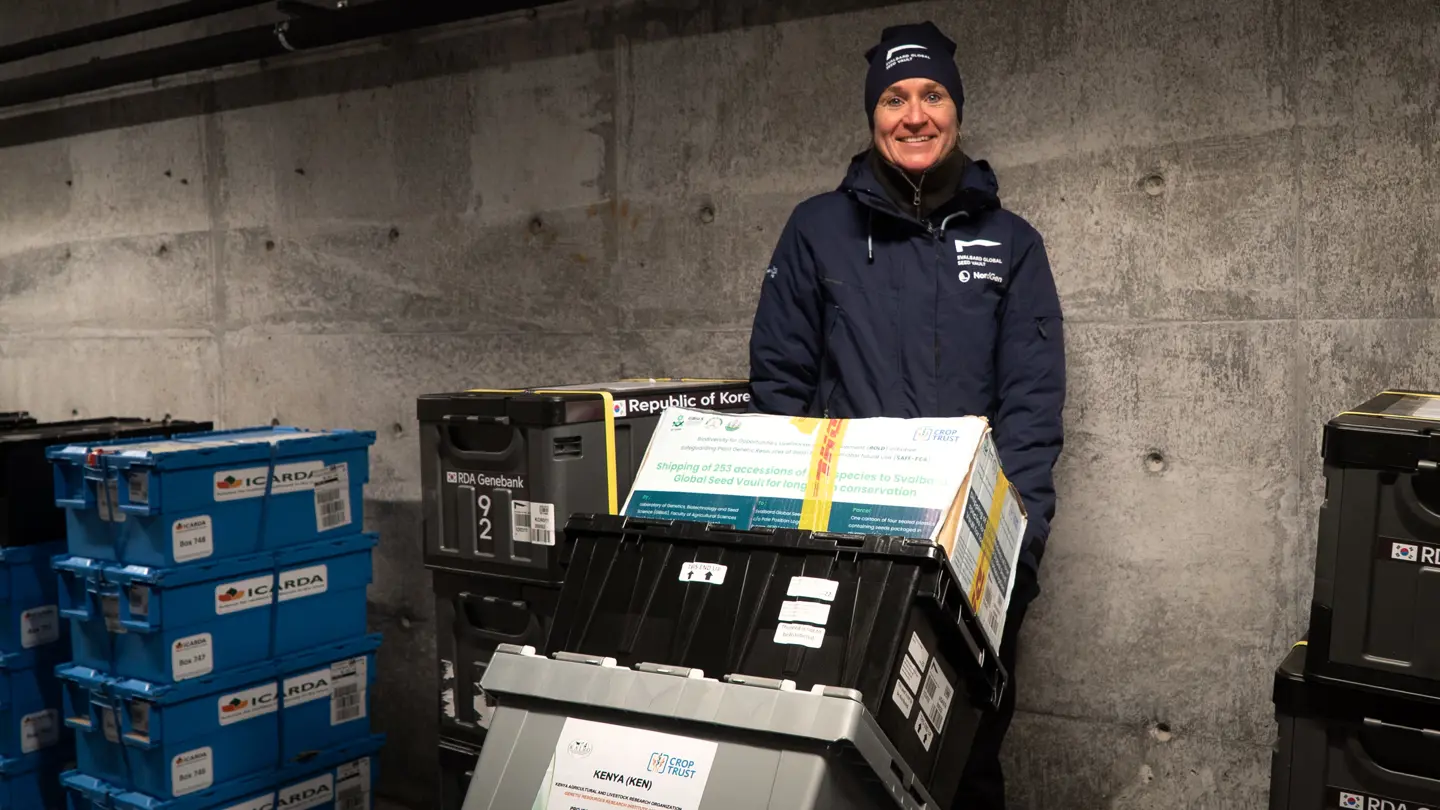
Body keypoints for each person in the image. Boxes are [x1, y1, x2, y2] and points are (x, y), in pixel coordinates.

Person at [746, 19, 1066, 810]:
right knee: (846, 750)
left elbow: (1032, 402)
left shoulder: (1011, 242)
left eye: (931, 95)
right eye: (894, 97)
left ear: (956, 110)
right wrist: (791, 533)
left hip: (972, 555)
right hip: (848, 547)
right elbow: (781, 383)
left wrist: (1015, 551)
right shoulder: (816, 230)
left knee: (967, 759)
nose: (914, 114)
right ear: (871, 114)